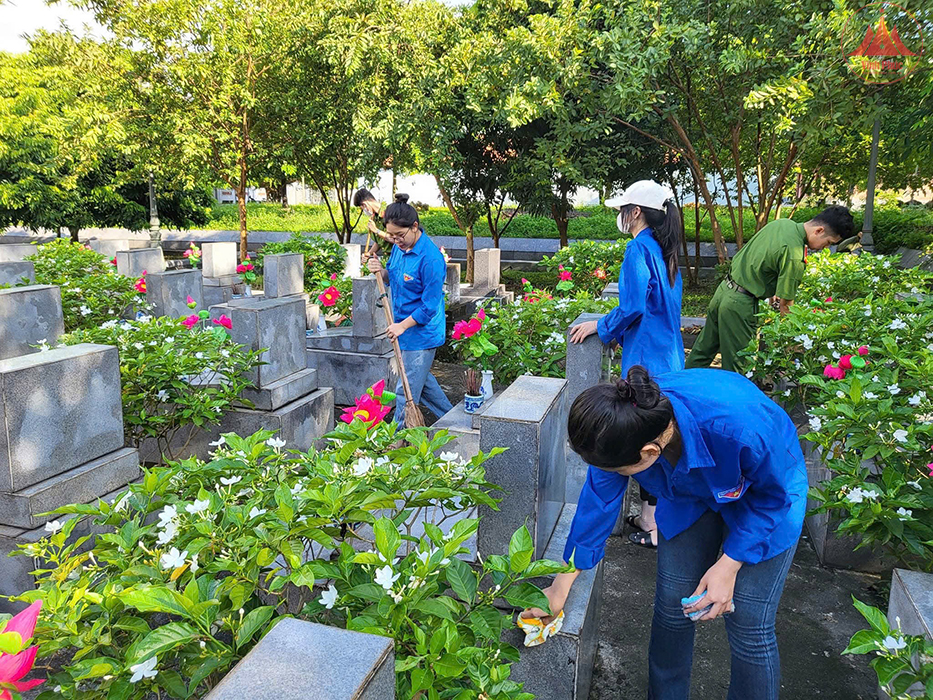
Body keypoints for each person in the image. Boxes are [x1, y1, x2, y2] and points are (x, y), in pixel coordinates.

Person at [524, 365, 807, 700]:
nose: (610, 475)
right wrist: (560, 584)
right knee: (673, 608)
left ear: (649, 454)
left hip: (766, 497)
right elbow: (597, 506)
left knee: (749, 623)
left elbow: (772, 499)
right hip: (689, 496)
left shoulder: (739, 429)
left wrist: (729, 565)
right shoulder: (620, 431)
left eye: (616, 470)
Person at [569, 180, 685, 548]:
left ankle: (644, 525)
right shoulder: (666, 252)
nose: (621, 216)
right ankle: (653, 519)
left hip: (645, 362)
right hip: (669, 356)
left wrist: (601, 327)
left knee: (632, 442)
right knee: (662, 437)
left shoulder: (638, 249)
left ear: (634, 212)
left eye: (623, 209)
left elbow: (633, 306)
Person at [686, 205, 854, 372]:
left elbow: (762, 259)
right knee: (738, 369)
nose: (824, 248)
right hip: (739, 305)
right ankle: (733, 399)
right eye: (828, 243)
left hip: (723, 290)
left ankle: (672, 394)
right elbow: (786, 306)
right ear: (819, 230)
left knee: (702, 352)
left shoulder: (782, 224)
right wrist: (792, 342)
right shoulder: (795, 254)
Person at [365, 193, 453, 426]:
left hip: (421, 334)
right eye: (392, 236)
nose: (396, 240)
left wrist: (402, 326)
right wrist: (379, 270)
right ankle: (456, 422)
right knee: (421, 384)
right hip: (403, 329)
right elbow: (392, 277)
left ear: (414, 227)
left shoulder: (431, 259)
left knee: (405, 390)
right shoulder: (399, 248)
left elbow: (430, 307)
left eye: (400, 235)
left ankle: (396, 444)